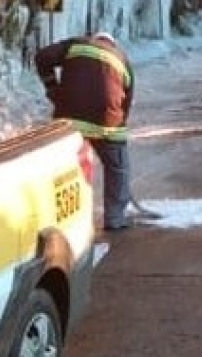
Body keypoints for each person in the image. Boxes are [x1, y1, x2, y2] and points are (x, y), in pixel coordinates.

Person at [35, 31, 136, 231]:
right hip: (106, 123)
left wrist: (52, 88)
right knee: (117, 168)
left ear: (93, 38)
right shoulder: (122, 59)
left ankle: (59, 217)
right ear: (112, 44)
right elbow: (126, 102)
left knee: (63, 169)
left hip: (70, 119)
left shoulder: (75, 44)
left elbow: (42, 57)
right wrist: (118, 129)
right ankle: (115, 218)